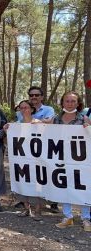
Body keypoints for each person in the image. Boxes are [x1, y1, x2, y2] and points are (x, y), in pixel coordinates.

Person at [52, 91, 91, 232]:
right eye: (67, 101)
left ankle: (86, 218)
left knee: (83, 186)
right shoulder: (57, 119)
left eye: (73, 101)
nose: (70, 103)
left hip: (81, 159)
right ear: (62, 102)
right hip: (61, 157)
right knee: (64, 185)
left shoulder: (84, 118)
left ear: (78, 103)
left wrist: (89, 129)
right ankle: (67, 216)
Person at [4, 100, 44, 221]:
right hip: (21, 159)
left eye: (26, 107)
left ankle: (37, 210)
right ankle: (26, 208)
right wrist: (7, 130)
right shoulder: (16, 124)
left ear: (32, 109)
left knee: (37, 184)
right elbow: (10, 141)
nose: (23, 110)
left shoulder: (38, 123)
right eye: (21, 108)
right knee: (22, 181)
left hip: (36, 159)